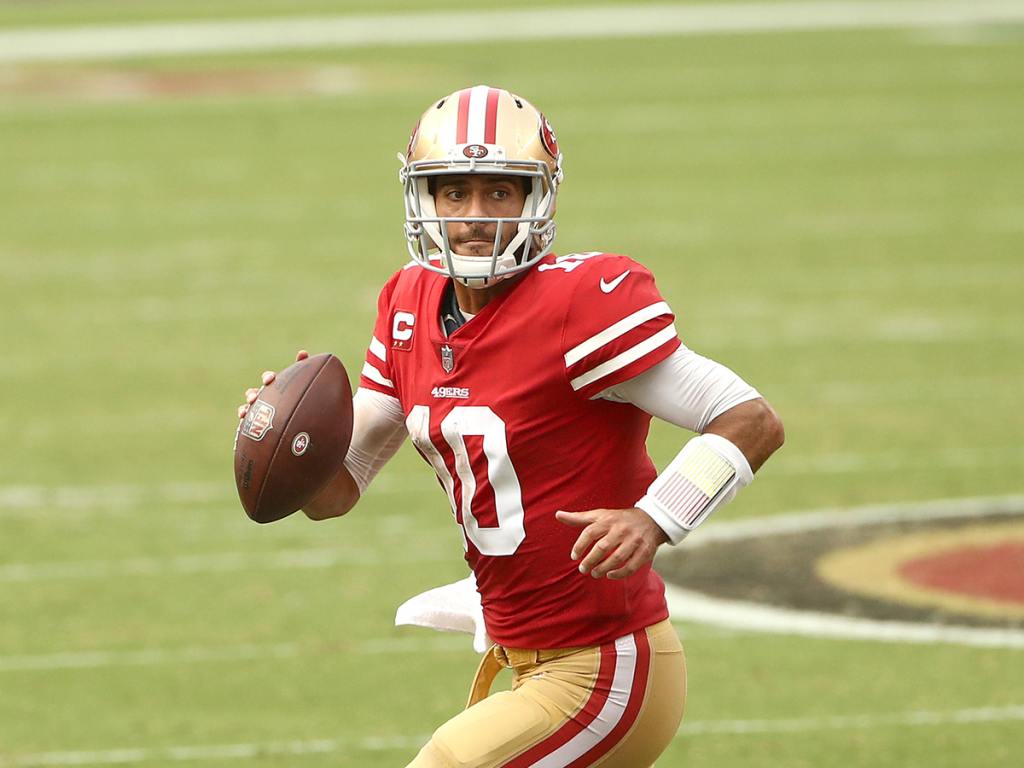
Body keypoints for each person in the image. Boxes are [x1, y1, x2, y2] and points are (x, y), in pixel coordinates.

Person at [238, 85, 784, 768]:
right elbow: (336, 491)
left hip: (602, 670)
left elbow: (750, 420)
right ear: (422, 199)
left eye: (500, 192)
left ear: (538, 198)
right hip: (518, 659)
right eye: (453, 191)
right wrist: (289, 437)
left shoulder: (579, 307)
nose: (475, 216)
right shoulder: (407, 303)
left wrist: (656, 517)